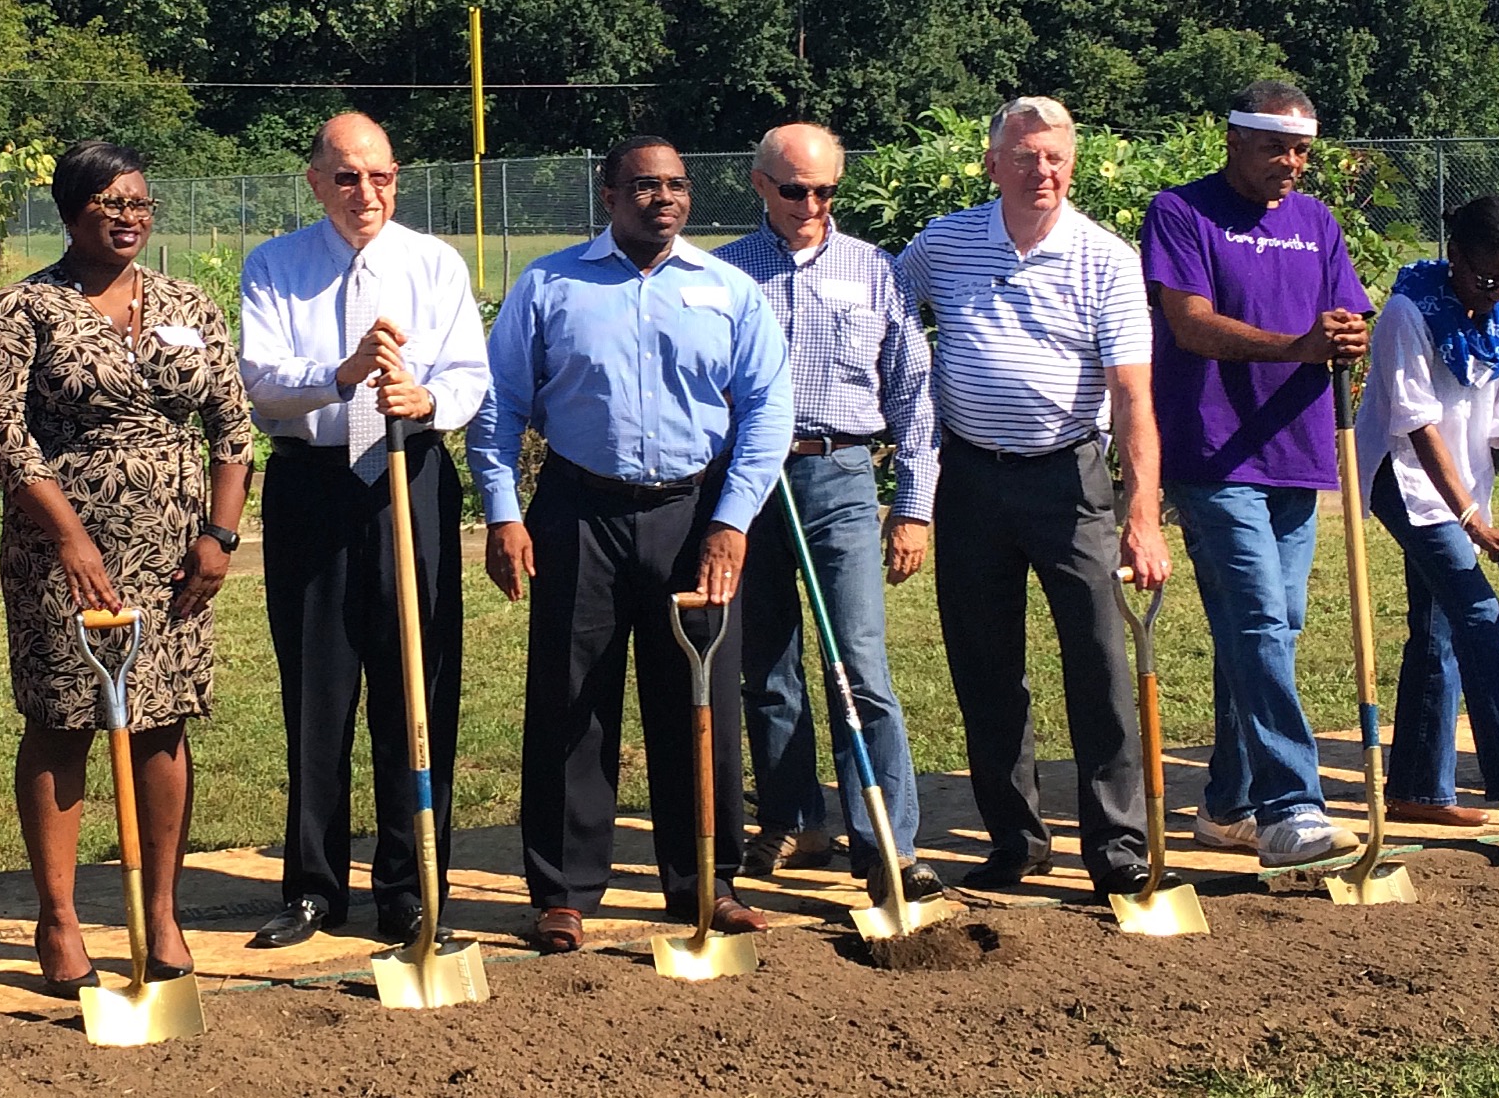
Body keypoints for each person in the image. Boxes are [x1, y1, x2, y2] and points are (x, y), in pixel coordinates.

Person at [469, 133, 792, 955]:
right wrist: (503, 512)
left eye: (677, 185)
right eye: (644, 185)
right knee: (570, 701)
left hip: (694, 518)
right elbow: (500, 405)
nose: (664, 199)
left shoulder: (728, 290)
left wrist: (731, 522)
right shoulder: (550, 284)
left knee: (701, 698)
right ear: (608, 196)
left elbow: (765, 411)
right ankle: (565, 891)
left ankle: (704, 883)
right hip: (579, 510)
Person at [0, 141, 254, 991]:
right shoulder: (23, 310)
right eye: (106, 204)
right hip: (67, 554)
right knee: (63, 720)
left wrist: (221, 535)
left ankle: (159, 910)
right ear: (69, 212)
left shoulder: (185, 303)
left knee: (161, 720)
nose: (127, 216)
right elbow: (7, 436)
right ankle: (57, 922)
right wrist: (70, 538)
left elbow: (231, 426)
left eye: (138, 202)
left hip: (177, 555)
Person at [894, 96, 1167, 895]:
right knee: (984, 666)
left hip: (1069, 478)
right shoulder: (942, 244)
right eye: (1022, 155)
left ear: (1071, 163)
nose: (1038, 170)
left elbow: (1131, 396)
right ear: (991, 163)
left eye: (1052, 156)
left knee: (1097, 662)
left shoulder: (1103, 257)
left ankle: (1115, 846)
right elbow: (884, 310)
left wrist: (1140, 512)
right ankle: (1014, 836)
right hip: (970, 478)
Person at [237, 111, 490, 949]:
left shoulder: (434, 264)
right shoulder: (275, 266)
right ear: (314, 181)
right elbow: (261, 384)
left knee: (416, 685)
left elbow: (468, 374)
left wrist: (430, 401)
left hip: (406, 478)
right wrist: (337, 374)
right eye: (346, 177)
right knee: (317, 689)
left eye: (379, 176)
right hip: (313, 485)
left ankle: (412, 884)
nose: (365, 194)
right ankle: (312, 888)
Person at [1139, 80, 1374, 871]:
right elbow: (1188, 323)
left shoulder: (1316, 224)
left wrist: (1341, 336)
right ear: (1234, 138)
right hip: (1213, 454)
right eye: (1276, 146)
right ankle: (1290, 806)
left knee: (1279, 624)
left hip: (1294, 452)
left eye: (1302, 149)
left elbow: (1343, 316)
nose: (1292, 164)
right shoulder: (1181, 212)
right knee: (1257, 623)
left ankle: (1227, 803)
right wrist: (1294, 347)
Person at [717, 120, 938, 905]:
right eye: (794, 189)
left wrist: (911, 506)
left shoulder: (874, 271)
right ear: (759, 185)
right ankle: (793, 818)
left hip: (841, 475)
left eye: (824, 190)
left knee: (860, 667)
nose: (810, 204)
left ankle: (890, 842)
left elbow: (913, 395)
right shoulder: (725, 274)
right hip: (750, 481)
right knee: (766, 671)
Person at [1359, 193, 1499, 843]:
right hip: (1400, 478)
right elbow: (1417, 427)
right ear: (1454, 258)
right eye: (1484, 278)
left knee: (1436, 626)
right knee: (1479, 615)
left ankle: (1418, 788)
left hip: (1464, 482)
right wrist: (1473, 521)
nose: (1495, 293)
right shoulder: (1406, 312)